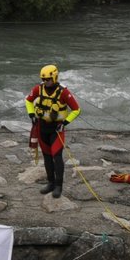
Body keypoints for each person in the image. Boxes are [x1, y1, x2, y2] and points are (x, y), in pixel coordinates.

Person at [25, 64, 81, 199]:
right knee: (47, 157)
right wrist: (32, 114)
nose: (45, 82)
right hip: (42, 128)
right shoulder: (38, 88)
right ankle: (50, 183)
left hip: (57, 129)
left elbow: (76, 110)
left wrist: (65, 123)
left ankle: (58, 186)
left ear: (55, 77)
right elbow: (28, 101)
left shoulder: (64, 92)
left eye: (48, 79)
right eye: (43, 79)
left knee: (56, 156)